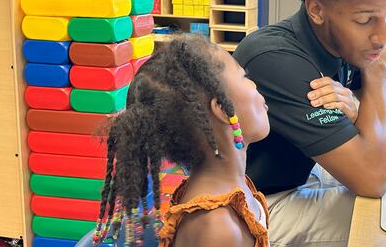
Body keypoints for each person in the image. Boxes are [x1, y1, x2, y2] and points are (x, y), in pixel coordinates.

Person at [233, 0, 386, 247]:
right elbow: (372, 179)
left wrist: (359, 113)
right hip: (256, 205)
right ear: (317, 10)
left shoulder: (350, 42)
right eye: (364, 19)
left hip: (304, 177)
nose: (382, 36)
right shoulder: (276, 59)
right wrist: (377, 71)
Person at [92, 35, 271, 247]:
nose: (253, 84)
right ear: (223, 109)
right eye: (244, 76)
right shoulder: (219, 227)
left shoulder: (229, 190)